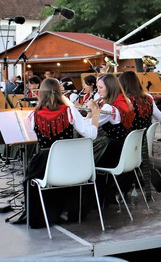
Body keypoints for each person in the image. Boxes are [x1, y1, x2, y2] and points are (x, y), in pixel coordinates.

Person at [16, 77, 98, 228]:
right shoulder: (70, 111)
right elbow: (91, 134)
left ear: (41, 93)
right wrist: (95, 116)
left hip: (44, 164)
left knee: (29, 179)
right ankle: (72, 210)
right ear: (60, 92)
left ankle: (43, 214)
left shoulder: (33, 115)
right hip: (68, 162)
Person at [87, 73, 133, 169]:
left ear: (110, 88)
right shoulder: (125, 101)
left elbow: (88, 127)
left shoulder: (109, 109)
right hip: (123, 149)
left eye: (101, 88)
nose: (98, 91)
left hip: (110, 152)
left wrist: (90, 110)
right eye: (97, 87)